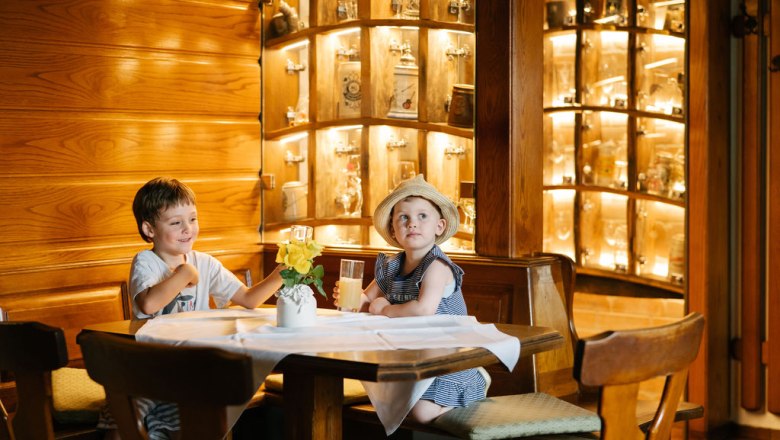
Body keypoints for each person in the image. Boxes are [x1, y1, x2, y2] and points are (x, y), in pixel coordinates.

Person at [98, 177, 283, 439]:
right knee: (123, 419)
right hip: (147, 368)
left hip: (188, 371)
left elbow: (249, 299)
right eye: (176, 223)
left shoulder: (205, 263)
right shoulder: (146, 262)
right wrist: (184, 273)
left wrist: (280, 275)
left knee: (191, 418)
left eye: (193, 219)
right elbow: (148, 303)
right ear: (149, 229)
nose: (188, 229)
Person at [333, 174, 489, 424]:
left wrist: (384, 309)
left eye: (422, 216)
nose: (412, 224)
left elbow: (423, 309)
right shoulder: (393, 266)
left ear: (439, 226)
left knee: (420, 412)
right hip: (415, 360)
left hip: (450, 360)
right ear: (394, 231)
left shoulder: (437, 266)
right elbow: (366, 300)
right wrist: (350, 298)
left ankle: (472, 390)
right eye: (403, 217)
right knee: (389, 403)